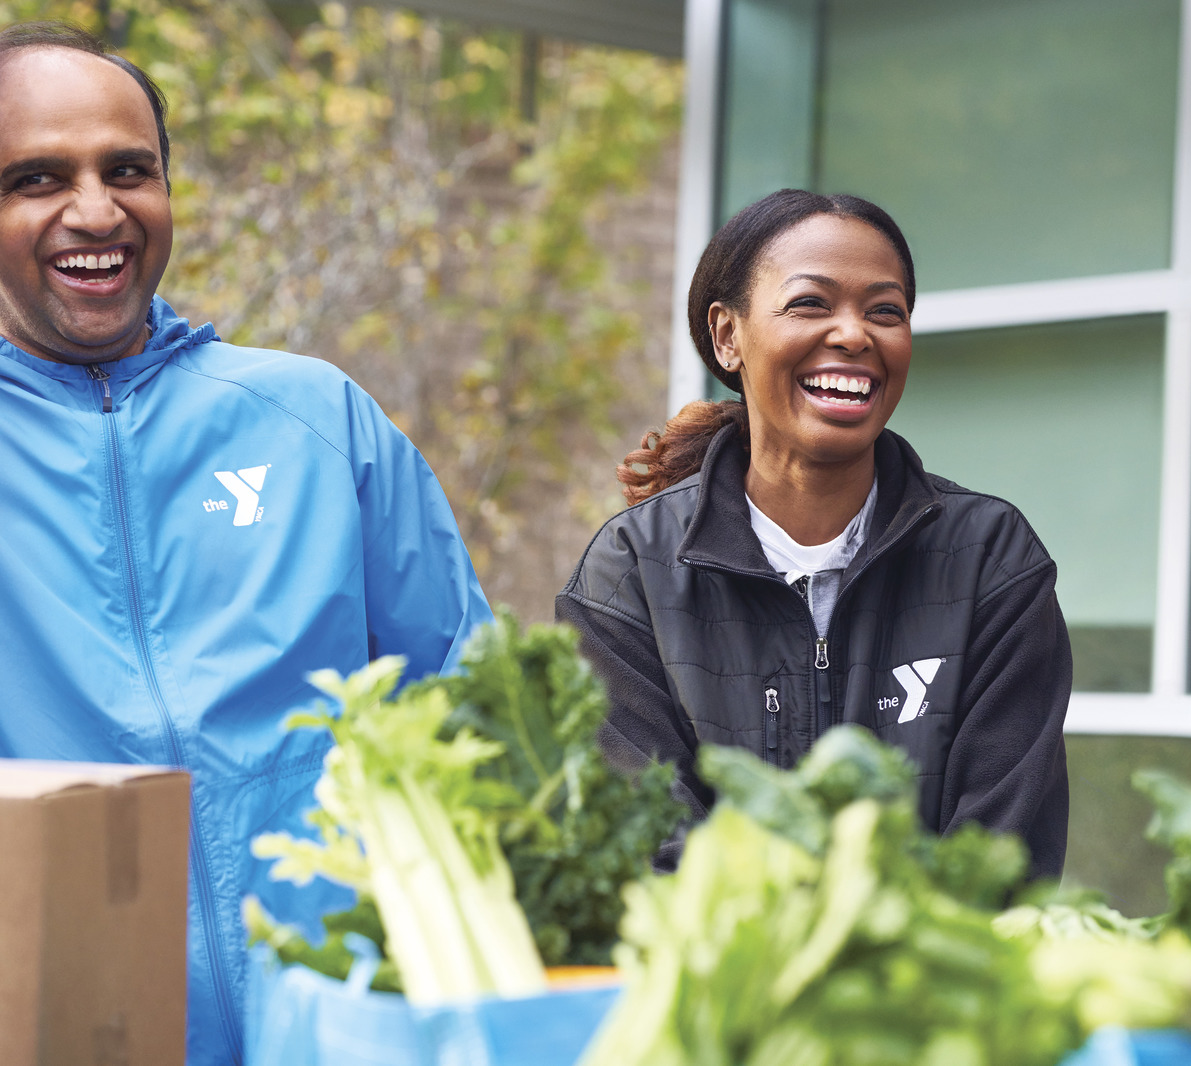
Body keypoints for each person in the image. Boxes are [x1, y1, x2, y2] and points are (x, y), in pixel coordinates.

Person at [0, 24, 492, 1064]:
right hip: (67, 1035)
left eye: (128, 170)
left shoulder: (316, 417)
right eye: (36, 178)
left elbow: (470, 706)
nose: (96, 211)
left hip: (348, 1029)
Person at [556, 189, 1071, 876]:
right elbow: (643, 852)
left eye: (885, 311)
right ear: (726, 336)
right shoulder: (631, 574)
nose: (855, 335)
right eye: (810, 304)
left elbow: (1005, 855)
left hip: (937, 978)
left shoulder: (989, 560)